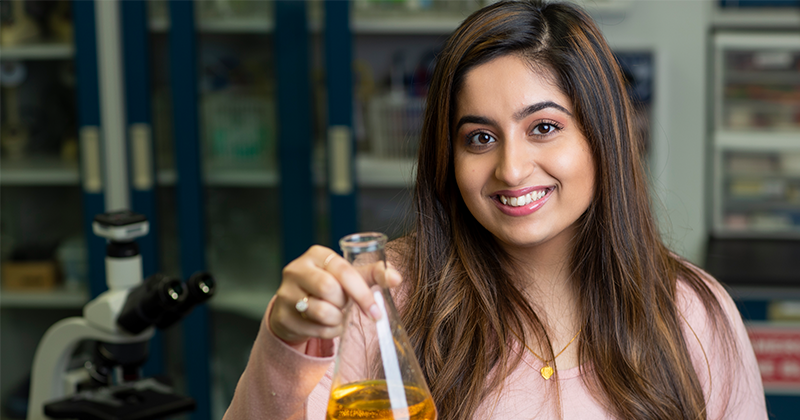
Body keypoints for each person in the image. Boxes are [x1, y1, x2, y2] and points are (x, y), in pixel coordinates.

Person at [223, 1, 767, 419]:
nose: (510, 168)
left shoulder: (693, 312)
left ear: (602, 137)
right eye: (480, 137)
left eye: (544, 128)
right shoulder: (380, 301)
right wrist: (288, 340)